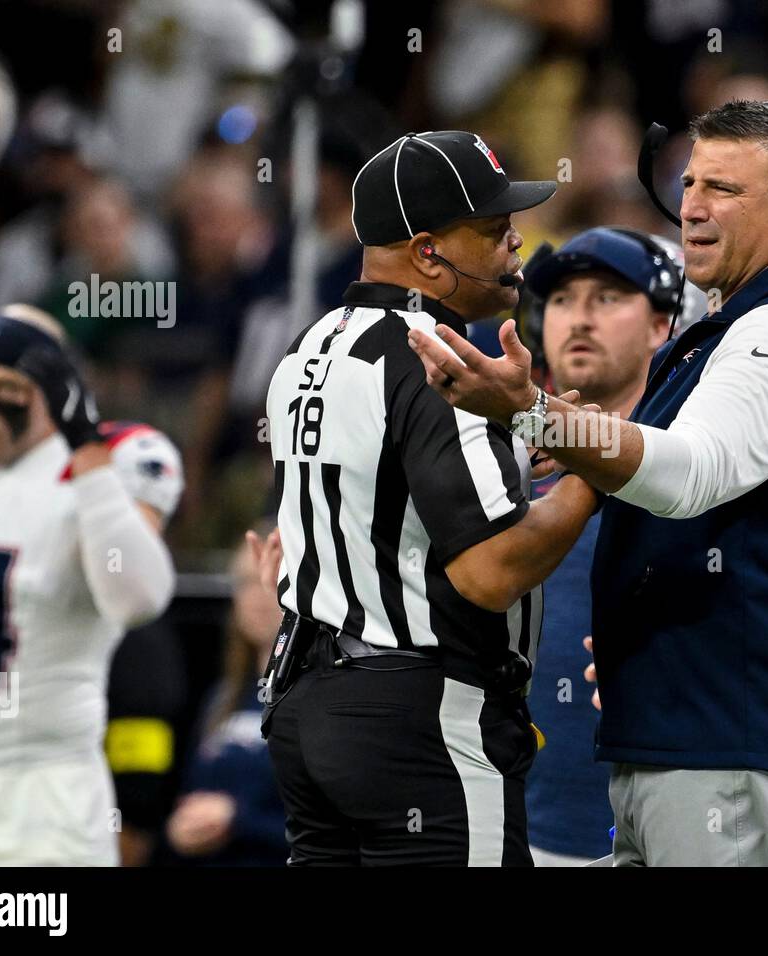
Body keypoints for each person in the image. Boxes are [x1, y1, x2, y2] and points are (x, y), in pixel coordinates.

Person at [409, 100, 768, 866]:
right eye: (689, 182)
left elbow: (687, 473)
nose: (692, 206)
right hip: (687, 736)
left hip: (737, 740)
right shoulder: (724, 333)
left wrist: (532, 413)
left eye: (724, 188)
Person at [261, 130, 601, 866]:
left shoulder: (309, 346)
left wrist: (519, 455)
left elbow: (383, 496)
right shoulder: (435, 359)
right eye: (489, 229)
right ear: (426, 252)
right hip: (418, 715)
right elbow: (490, 573)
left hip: (307, 704)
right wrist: (593, 474)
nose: (515, 242)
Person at [0, 305, 182, 866]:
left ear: (54, 389)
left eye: (5, 391)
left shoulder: (117, 456)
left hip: (43, 790)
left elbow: (135, 597)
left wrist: (86, 450)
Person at [520, 227, 686, 865]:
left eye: (609, 297)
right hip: (515, 823)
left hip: (657, 823)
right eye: (562, 299)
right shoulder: (502, 461)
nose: (579, 317)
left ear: (663, 324)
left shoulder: (700, 466)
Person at [165, 535, 287, 866]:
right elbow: (189, 797)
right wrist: (181, 830)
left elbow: (340, 833)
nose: (258, 595)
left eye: (273, 580)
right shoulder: (222, 698)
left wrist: (239, 820)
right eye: (247, 582)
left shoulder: (320, 700)